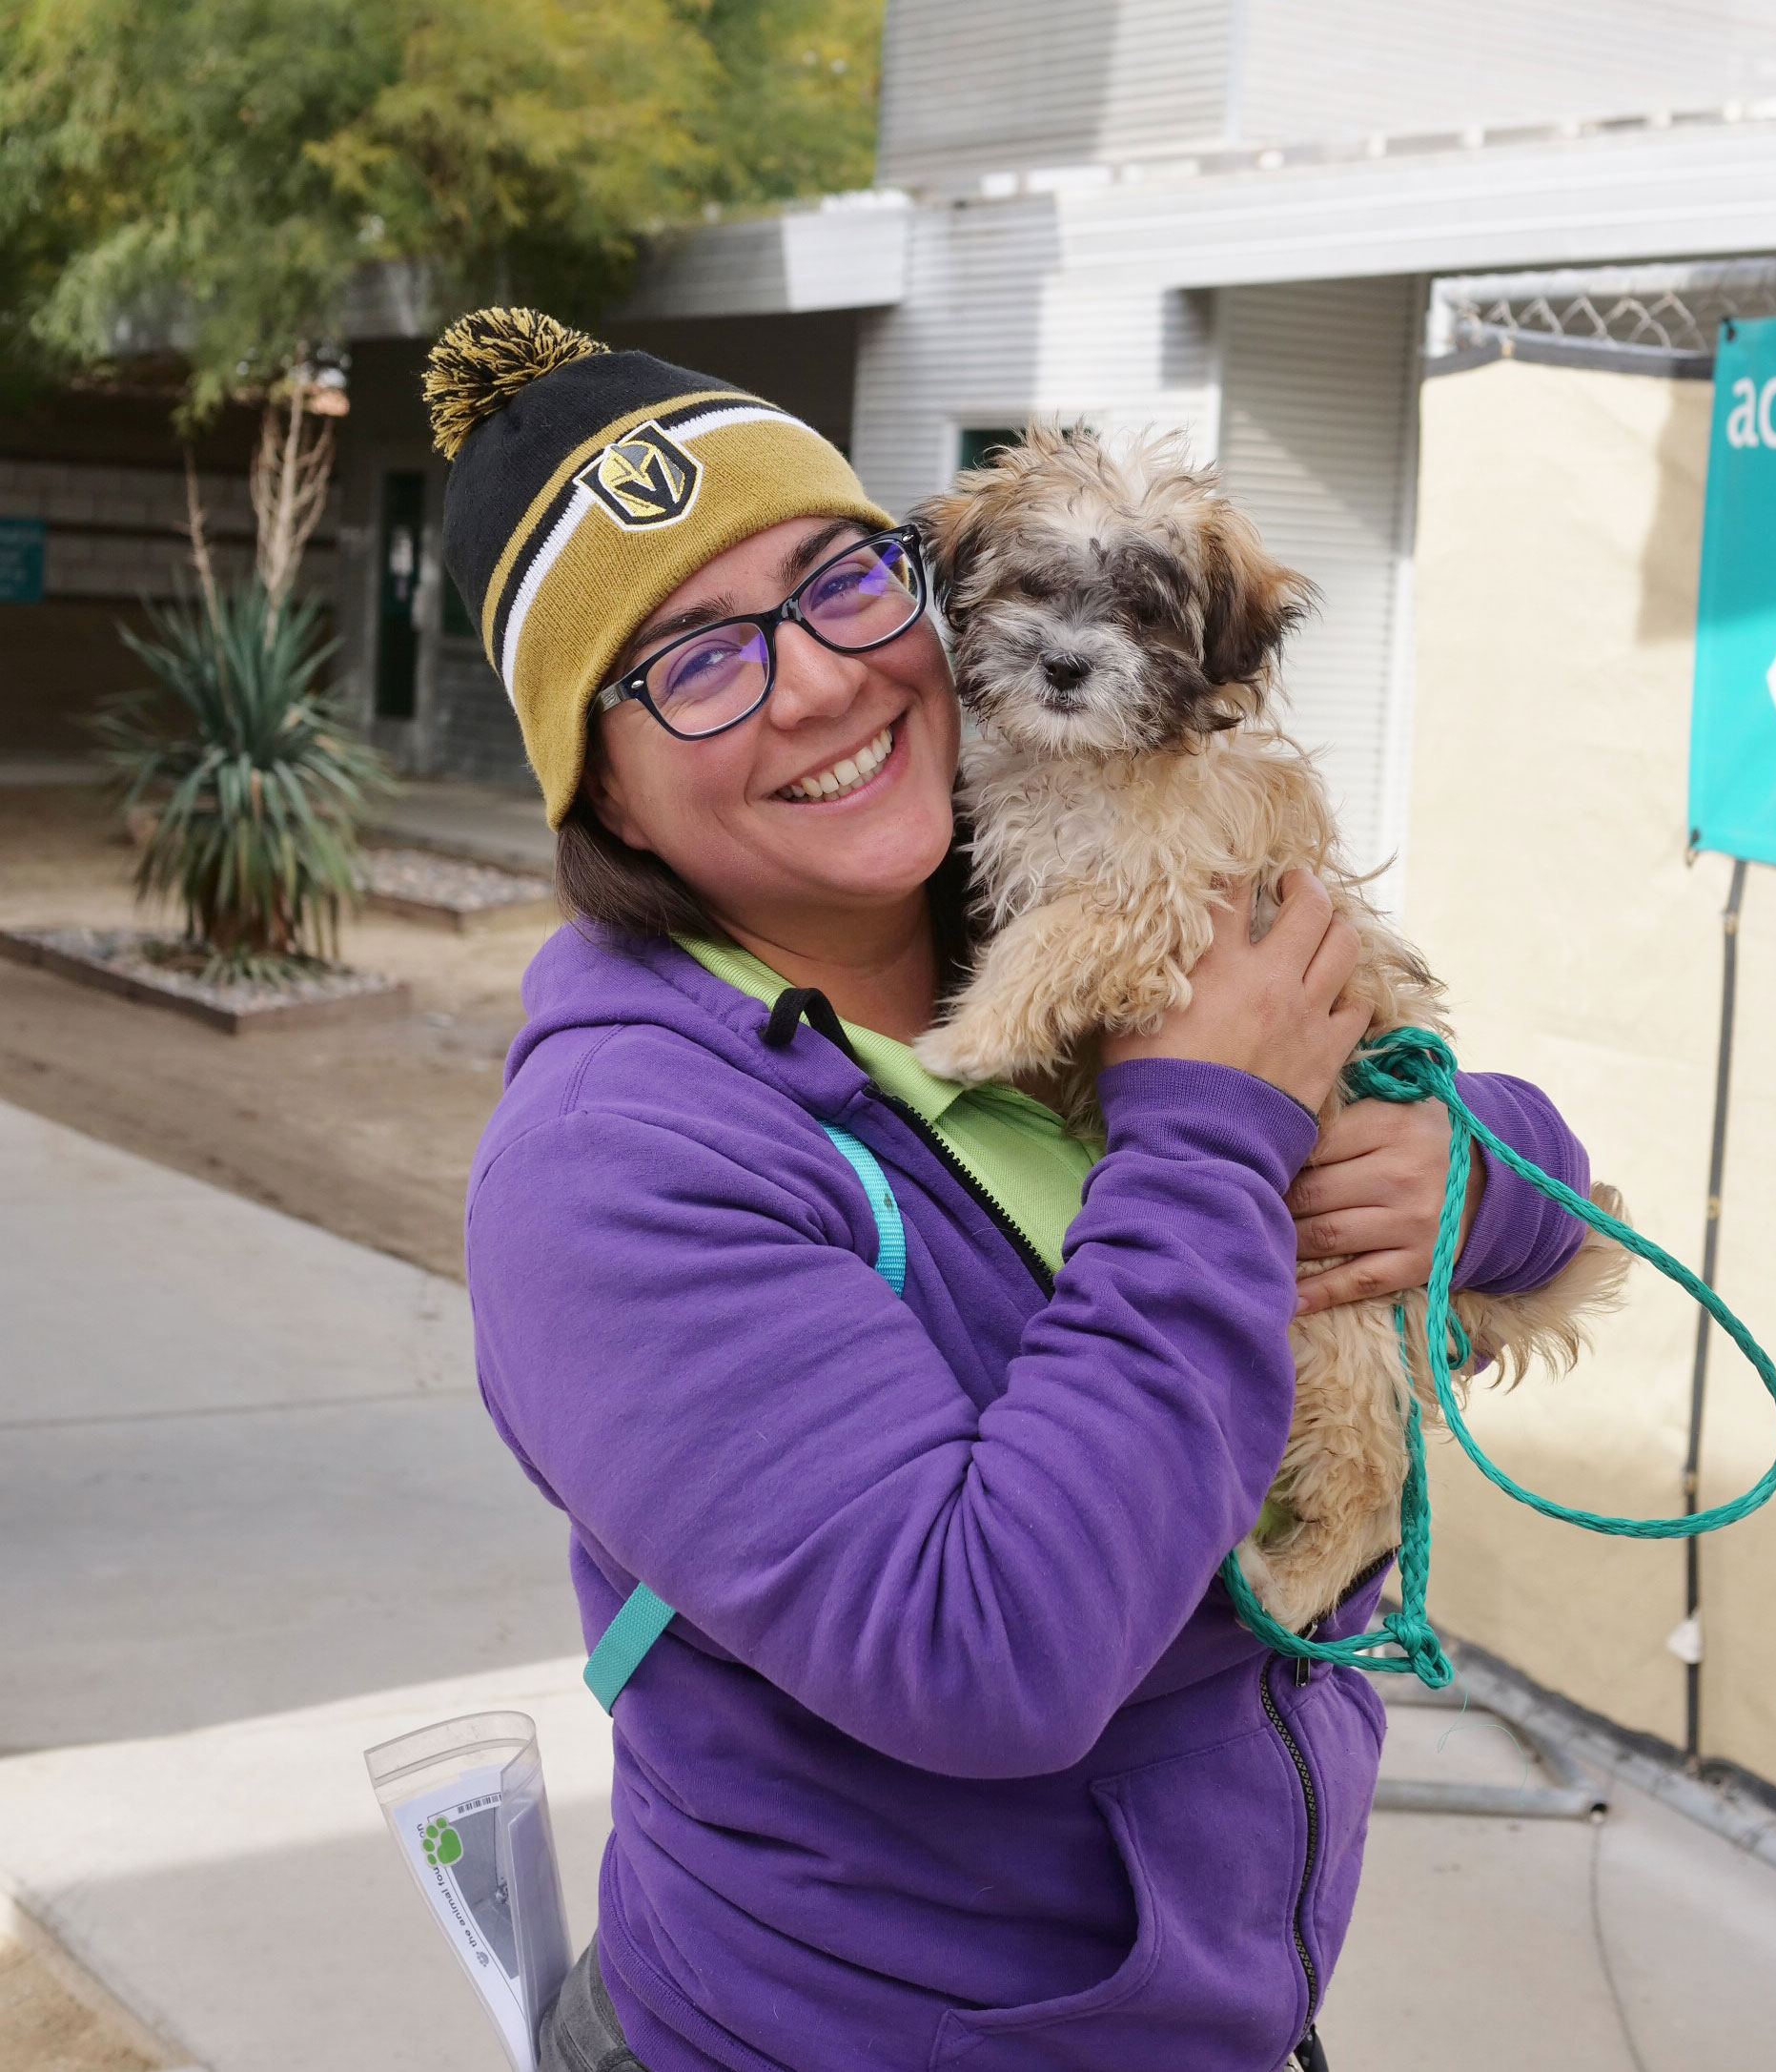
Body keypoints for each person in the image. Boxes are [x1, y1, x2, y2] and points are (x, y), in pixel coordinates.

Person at [432, 308, 1593, 2072]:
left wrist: (1457, 1174)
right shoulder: (613, 1169)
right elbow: (989, 1653)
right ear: (607, 792)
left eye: (840, 580)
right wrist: (1207, 1133)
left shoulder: (1060, 864)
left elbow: (1545, 1198)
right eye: (692, 662)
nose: (818, 679)